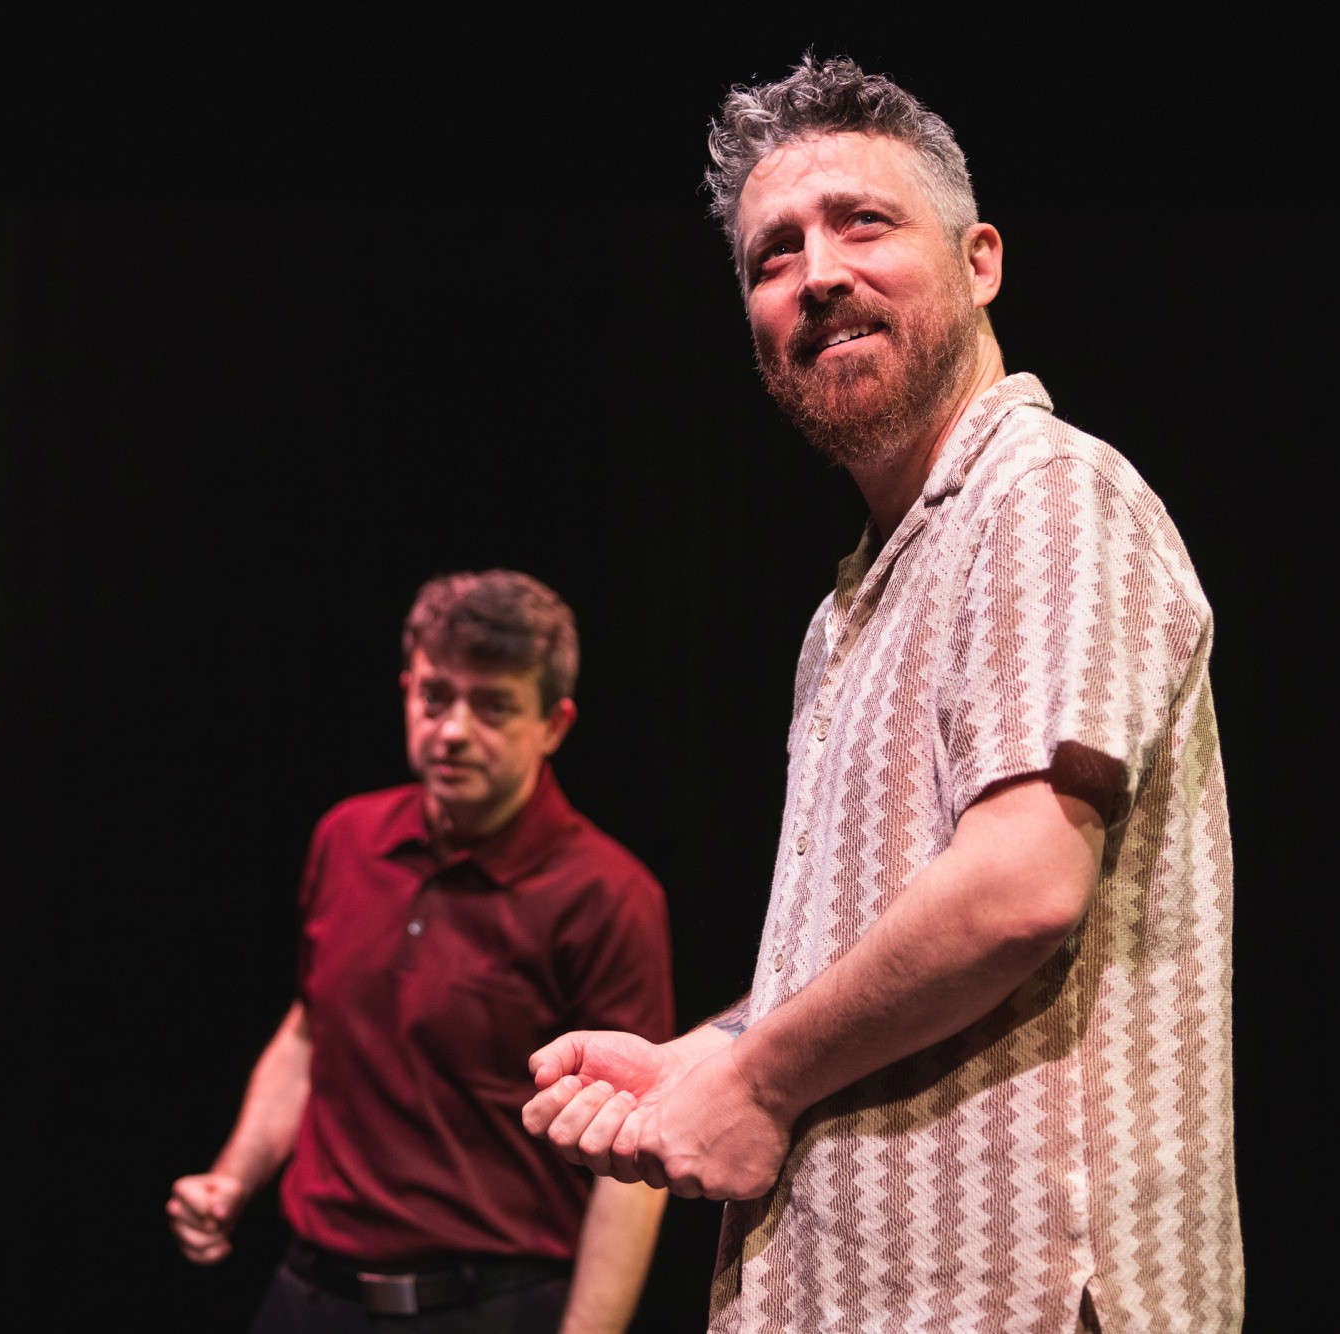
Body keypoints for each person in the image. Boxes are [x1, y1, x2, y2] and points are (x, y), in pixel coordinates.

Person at [522, 56, 1242, 1333]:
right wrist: (708, 1051)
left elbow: (1019, 885)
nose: (816, 274)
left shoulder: (1044, 491)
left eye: (862, 222)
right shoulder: (847, 606)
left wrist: (757, 1080)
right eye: (772, 254)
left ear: (979, 261)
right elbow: (868, 943)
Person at [170, 570, 674, 1333]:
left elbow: (629, 1154)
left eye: (493, 706)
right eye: (436, 697)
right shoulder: (347, 838)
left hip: (485, 1307)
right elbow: (308, 1032)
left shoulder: (607, 894)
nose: (454, 730)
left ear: (554, 724)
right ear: (407, 691)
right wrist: (232, 1179)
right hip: (311, 1296)